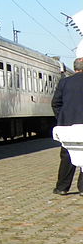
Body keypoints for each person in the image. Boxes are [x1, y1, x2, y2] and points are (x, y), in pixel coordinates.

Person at [52, 57, 83, 195]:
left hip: (68, 126)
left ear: (75, 68)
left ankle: (62, 187)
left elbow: (55, 103)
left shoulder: (64, 82)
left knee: (67, 155)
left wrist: (62, 118)